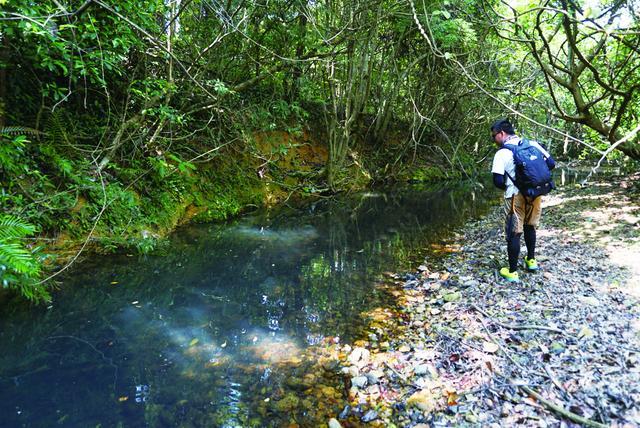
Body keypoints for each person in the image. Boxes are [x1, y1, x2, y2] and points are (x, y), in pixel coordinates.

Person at [490, 118, 556, 283]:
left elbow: (497, 181)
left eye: (494, 136)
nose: (494, 140)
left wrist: (512, 185)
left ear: (502, 133)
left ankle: (512, 271)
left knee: (514, 232)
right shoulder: (532, 144)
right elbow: (551, 163)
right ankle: (531, 261)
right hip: (536, 192)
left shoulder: (502, 153)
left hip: (515, 195)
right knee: (530, 226)